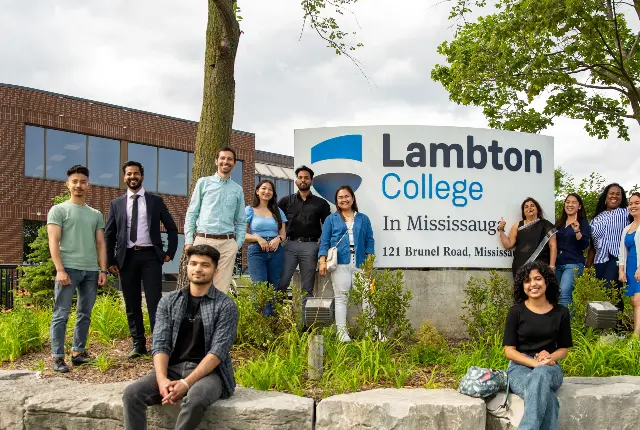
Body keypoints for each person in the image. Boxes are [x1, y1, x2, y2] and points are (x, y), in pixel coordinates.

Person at [122, 244, 239, 430]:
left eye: (205, 265)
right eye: (193, 263)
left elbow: (218, 351)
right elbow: (160, 344)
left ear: (215, 271)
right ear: (187, 267)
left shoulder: (226, 306)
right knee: (132, 394)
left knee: (195, 399)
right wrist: (162, 380)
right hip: (172, 369)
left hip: (209, 374)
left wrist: (186, 383)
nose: (198, 269)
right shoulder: (169, 301)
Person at [105, 160, 178, 358]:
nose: (132, 177)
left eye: (136, 173)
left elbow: (172, 228)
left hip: (150, 257)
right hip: (126, 259)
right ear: (124, 177)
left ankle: (159, 344)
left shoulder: (155, 201)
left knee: (155, 301)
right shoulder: (116, 204)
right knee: (132, 302)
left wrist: (169, 252)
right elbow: (109, 234)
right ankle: (138, 344)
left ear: (142, 177)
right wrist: (109, 261)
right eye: (129, 174)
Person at [47, 165, 109, 373]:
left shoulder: (96, 214)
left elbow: (101, 243)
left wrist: (102, 270)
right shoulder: (59, 210)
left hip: (91, 271)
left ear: (88, 185)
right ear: (68, 185)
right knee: (61, 314)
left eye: (82, 181)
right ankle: (57, 357)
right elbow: (53, 241)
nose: (78, 185)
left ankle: (78, 353)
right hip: (68, 270)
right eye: (74, 181)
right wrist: (60, 269)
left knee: (85, 313)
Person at [503, 261, 573, 430]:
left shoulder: (561, 313)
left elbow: (563, 349)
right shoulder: (516, 312)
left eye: (538, 279)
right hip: (519, 368)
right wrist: (536, 363)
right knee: (547, 397)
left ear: (547, 281)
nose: (533, 284)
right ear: (523, 286)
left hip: (550, 367)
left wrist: (549, 358)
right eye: (527, 281)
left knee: (541, 374)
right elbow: (509, 352)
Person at [184, 147, 246, 293]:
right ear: (216, 161)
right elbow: (192, 213)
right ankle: (198, 316)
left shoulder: (237, 190)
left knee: (221, 290)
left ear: (234, 164)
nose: (226, 161)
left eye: (230, 159)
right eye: (222, 158)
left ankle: (215, 316)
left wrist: (236, 245)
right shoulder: (203, 183)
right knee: (199, 286)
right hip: (203, 241)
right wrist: (188, 241)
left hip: (227, 245)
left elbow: (242, 221)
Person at [318, 185, 375, 342]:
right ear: (336, 201)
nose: (344, 199)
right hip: (340, 262)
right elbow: (324, 241)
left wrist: (369, 262)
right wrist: (322, 261)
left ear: (353, 198)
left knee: (366, 297)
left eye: (346, 196)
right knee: (341, 297)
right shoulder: (331, 219)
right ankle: (342, 333)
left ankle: (371, 331)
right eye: (340, 197)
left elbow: (369, 241)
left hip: (360, 262)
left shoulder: (363, 218)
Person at [277, 166, 331, 321]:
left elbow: (327, 226)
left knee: (307, 288)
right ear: (296, 180)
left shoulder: (321, 204)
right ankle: (278, 321)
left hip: (311, 247)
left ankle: (304, 325)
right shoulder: (285, 202)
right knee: (282, 282)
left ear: (311, 181)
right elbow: (276, 221)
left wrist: (322, 245)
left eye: (306, 178)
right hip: (289, 246)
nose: (303, 180)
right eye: (300, 177)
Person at [245, 179, 287, 315]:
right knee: (260, 289)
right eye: (263, 188)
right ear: (257, 191)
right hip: (256, 251)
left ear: (273, 193)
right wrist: (257, 238)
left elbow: (283, 234)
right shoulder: (249, 210)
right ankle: (260, 324)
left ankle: (271, 325)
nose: (266, 191)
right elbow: (241, 234)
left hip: (276, 252)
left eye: (270, 189)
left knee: (273, 289)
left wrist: (277, 239)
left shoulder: (278, 211)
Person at [587, 183, 629, 316]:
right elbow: (592, 245)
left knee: (610, 289)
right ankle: (608, 328)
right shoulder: (595, 219)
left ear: (622, 198)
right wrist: (588, 266)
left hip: (617, 258)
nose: (614, 196)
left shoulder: (626, 213)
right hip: (600, 260)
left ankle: (617, 328)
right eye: (612, 193)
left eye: (618, 194)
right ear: (606, 196)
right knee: (604, 293)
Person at [498, 197, 557, 279]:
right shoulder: (518, 226)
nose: (529, 208)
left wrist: (552, 266)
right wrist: (501, 230)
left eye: (532, 206)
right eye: (526, 207)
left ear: (537, 209)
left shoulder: (546, 225)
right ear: (523, 212)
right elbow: (508, 245)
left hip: (540, 266)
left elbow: (553, 246)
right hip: (520, 267)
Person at [554, 193, 591, 308]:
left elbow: (584, 244)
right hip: (558, 264)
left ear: (579, 206)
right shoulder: (559, 223)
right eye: (568, 202)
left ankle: (567, 325)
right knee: (557, 295)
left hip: (573, 263)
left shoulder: (583, 222)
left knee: (565, 293)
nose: (570, 204)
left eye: (574, 202)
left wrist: (577, 231)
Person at [618, 192, 640, 338]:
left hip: (639, 267)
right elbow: (622, 252)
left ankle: (636, 337)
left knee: (638, 300)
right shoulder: (627, 228)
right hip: (630, 267)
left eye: (637, 203)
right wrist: (621, 270)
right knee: (634, 301)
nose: (633, 206)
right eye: (631, 203)